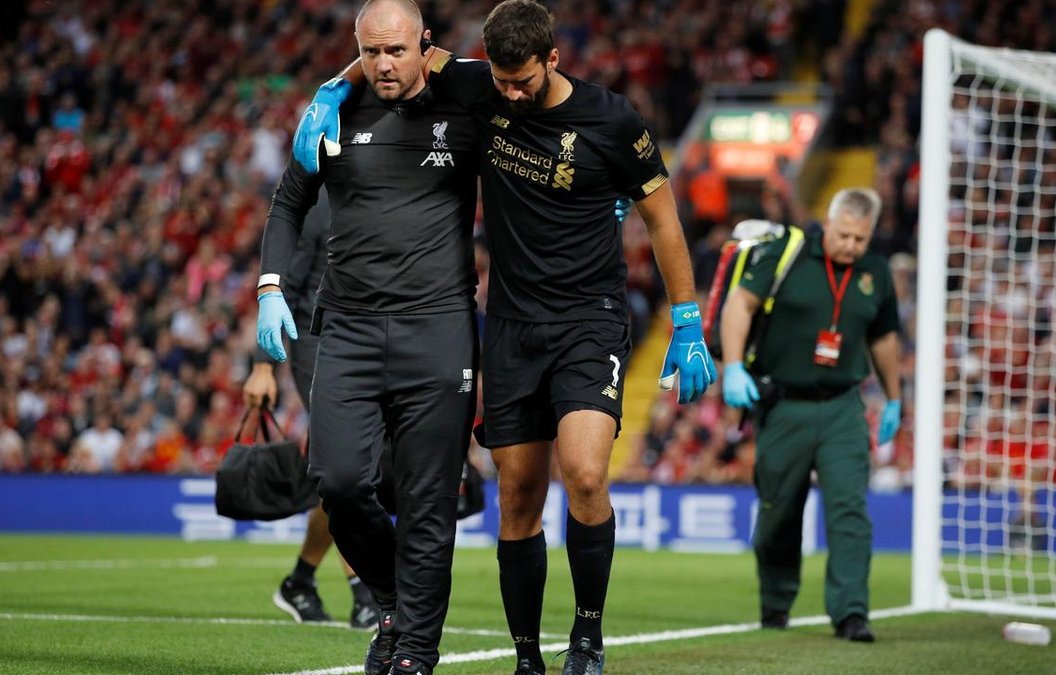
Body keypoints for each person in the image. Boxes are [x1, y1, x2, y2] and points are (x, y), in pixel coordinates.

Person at [296, 2, 716, 672]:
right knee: (518, 494)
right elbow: (401, 52)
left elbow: (663, 220)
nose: (511, 95)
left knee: (584, 473)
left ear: (553, 58)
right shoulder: (479, 86)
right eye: (501, 81)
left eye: (523, 81)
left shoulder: (611, 120)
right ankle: (527, 657)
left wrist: (687, 320)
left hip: (589, 319)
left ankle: (587, 636)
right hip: (513, 326)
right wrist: (331, 89)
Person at [256, 1, 480, 672]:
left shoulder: (465, 104)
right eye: (370, 51)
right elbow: (288, 204)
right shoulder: (332, 115)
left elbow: (523, 85)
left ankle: (414, 650)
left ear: (425, 45)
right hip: (348, 330)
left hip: (437, 329)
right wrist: (269, 287)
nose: (383, 64)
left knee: (428, 501)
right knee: (340, 481)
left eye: (397, 51)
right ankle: (392, 601)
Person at [720, 187, 902, 644]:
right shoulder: (788, 252)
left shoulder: (875, 271)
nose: (851, 246)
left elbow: (883, 338)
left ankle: (851, 614)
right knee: (778, 513)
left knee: (850, 510)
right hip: (784, 405)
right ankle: (776, 603)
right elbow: (740, 303)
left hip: (843, 406)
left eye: (861, 239)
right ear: (829, 222)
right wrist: (734, 366)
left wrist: (894, 398)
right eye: (844, 236)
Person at [242, 192, 380, 630]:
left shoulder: (379, 189)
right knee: (348, 460)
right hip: (316, 342)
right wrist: (263, 366)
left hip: (365, 341)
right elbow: (284, 285)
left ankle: (300, 580)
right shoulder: (321, 203)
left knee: (345, 472)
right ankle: (364, 591)